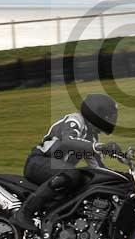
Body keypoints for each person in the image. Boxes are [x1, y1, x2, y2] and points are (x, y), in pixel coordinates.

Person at [12, 93, 122, 231]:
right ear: (96, 113)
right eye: (108, 117)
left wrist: (122, 177)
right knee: (72, 174)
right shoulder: (75, 120)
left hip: (58, 171)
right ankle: (24, 213)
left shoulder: (92, 138)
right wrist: (99, 147)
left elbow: (99, 168)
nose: (111, 120)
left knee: (88, 182)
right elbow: (68, 140)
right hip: (39, 162)